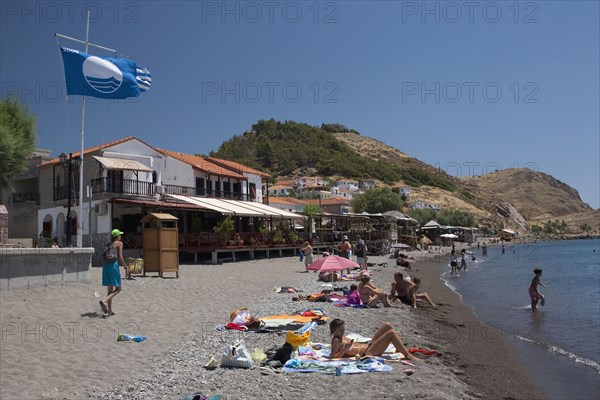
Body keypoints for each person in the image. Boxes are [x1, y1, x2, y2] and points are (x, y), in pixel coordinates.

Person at [329, 318, 418, 361]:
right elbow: (334, 357)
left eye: (343, 330)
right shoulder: (336, 341)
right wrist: (345, 349)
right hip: (368, 352)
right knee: (391, 333)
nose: (343, 332)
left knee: (387, 325)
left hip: (369, 345)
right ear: (334, 330)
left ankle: (399, 348)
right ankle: (408, 355)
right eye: (341, 331)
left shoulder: (340, 337)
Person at [99, 229, 126, 317]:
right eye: (120, 235)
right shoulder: (119, 243)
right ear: (117, 236)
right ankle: (104, 301)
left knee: (110, 290)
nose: (120, 236)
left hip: (106, 266)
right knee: (118, 289)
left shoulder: (109, 244)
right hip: (113, 266)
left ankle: (110, 311)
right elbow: (120, 257)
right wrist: (125, 266)